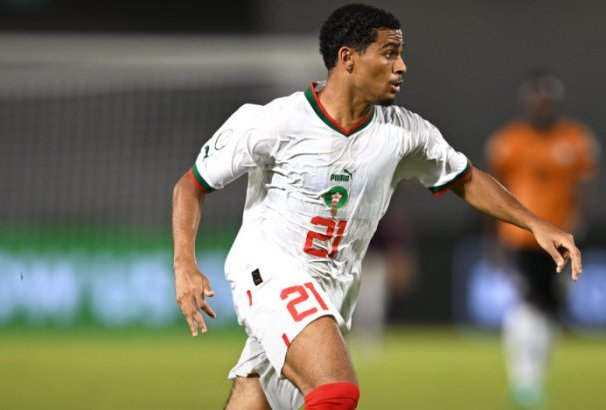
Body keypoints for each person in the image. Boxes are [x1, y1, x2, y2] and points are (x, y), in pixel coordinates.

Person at [172, 5, 582, 410]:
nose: (402, 67)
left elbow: (467, 179)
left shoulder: (405, 133)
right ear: (347, 58)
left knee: (253, 399)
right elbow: (190, 186)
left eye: (400, 54)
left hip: (333, 290)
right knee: (335, 391)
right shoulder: (275, 122)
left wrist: (535, 223)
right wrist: (185, 264)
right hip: (270, 272)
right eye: (389, 53)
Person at [485, 71, 599, 407]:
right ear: (526, 103)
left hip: (561, 238)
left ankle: (533, 381)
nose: (541, 107)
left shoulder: (575, 140)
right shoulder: (508, 142)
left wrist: (579, 230)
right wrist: (492, 240)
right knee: (528, 302)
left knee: (550, 307)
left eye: (547, 101)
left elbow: (583, 191)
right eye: (536, 101)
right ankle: (524, 382)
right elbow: (490, 194)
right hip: (520, 237)